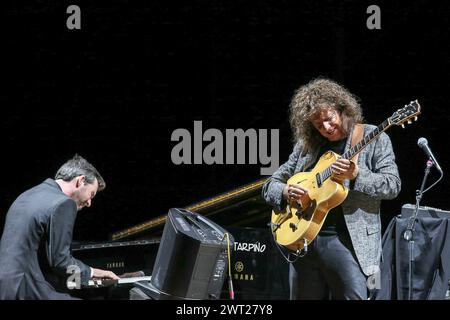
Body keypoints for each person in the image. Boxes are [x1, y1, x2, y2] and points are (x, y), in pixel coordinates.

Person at [262, 78, 401, 300]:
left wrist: (356, 176)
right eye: (318, 125)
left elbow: (393, 185)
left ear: (342, 109)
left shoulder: (373, 137)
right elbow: (270, 184)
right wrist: (286, 192)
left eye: (329, 119)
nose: (326, 128)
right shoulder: (307, 146)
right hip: (304, 241)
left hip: (348, 243)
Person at [0, 154, 119, 299]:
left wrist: (77, 282)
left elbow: (45, 260)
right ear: (80, 181)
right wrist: (91, 273)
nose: (89, 203)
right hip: (30, 290)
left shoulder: (26, 195)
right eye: (91, 194)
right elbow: (60, 262)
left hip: (8, 288)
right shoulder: (63, 203)